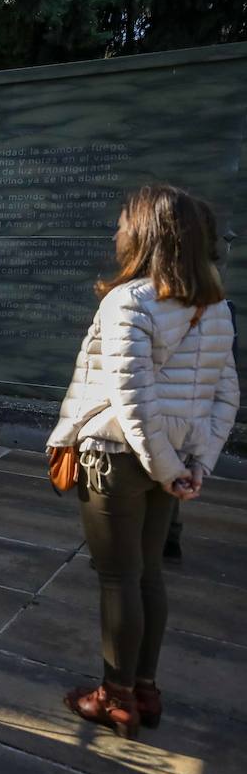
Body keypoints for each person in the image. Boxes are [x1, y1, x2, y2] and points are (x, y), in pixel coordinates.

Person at [49, 185, 238, 739]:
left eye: (122, 224)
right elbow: (224, 394)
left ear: (147, 234)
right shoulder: (215, 306)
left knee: (118, 578)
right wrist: (194, 463)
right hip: (169, 460)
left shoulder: (127, 301)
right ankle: (145, 689)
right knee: (147, 574)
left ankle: (115, 696)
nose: (115, 234)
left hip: (118, 458)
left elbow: (132, 398)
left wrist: (167, 467)